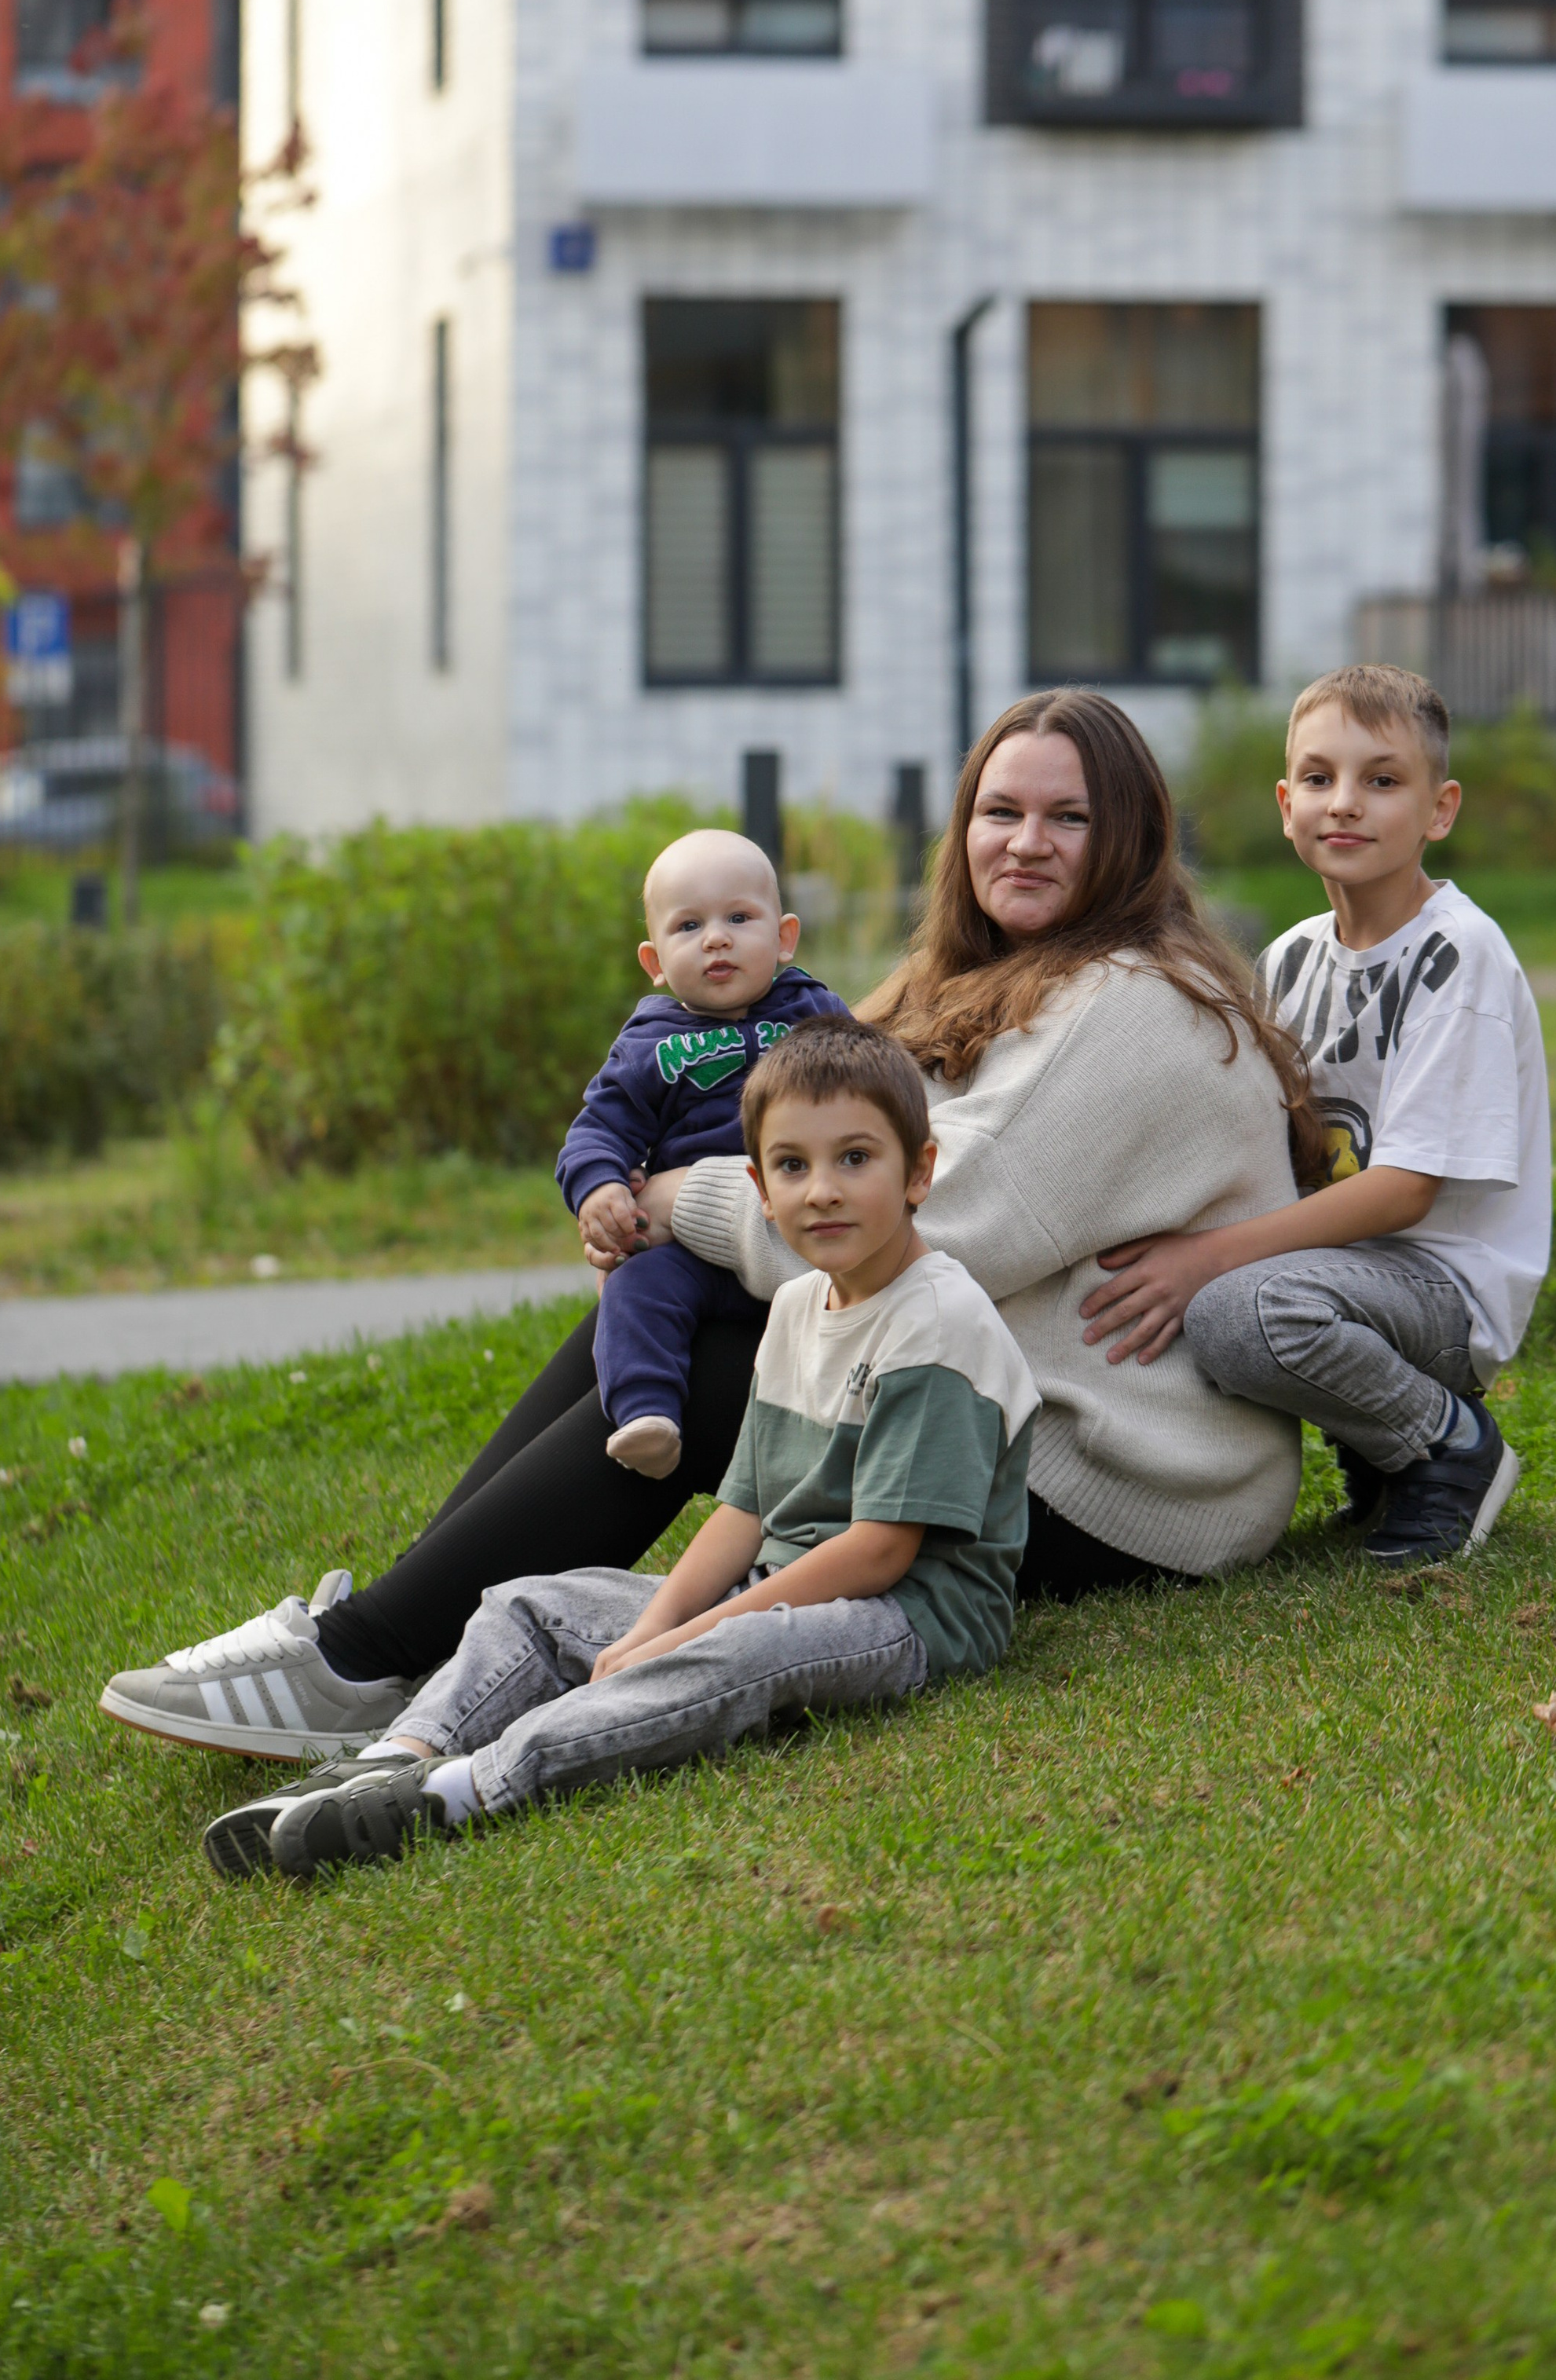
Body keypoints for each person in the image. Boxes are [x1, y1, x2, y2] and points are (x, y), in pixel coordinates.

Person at [100, 689, 1317, 1766]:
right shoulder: (994, 979)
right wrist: (632, 1203)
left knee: (720, 1349)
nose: (1026, 842)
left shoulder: (1133, 1007)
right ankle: (385, 1638)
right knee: (671, 1310)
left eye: (1070, 818)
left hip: (1125, 1481)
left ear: (1135, 840)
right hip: (997, 1397)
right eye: (1001, 812)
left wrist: (678, 1198)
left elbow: (935, 1224)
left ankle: (367, 1652)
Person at [203, 1021, 1038, 1880]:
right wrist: (650, 1624)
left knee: (734, 1657)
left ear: (920, 1173)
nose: (822, 1190)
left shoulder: (936, 1320)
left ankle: (464, 1789)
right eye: (792, 1166)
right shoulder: (793, 1309)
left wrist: (687, 1636)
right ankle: (395, 1756)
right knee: (527, 1603)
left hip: (912, 1621)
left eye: (855, 1159)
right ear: (758, 1186)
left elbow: (878, 1552)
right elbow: (743, 1509)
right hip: (784, 1585)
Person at [1078, 665, 1548, 1569]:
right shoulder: (1293, 957)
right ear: (1287, 804)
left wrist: (1206, 1257)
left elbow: (1405, 1192)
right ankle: (1377, 1449)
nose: (1346, 804)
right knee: (1161, 1293)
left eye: (1382, 780)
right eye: (1321, 780)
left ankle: (1447, 1446)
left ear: (1438, 809)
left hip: (1438, 1288)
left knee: (1232, 1314)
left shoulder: (1459, 954)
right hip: (1336, 1273)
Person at [558, 825, 846, 1480]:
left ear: (784, 937)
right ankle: (646, 1413)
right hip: (689, 1246)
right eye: (688, 926)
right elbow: (598, 1130)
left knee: (826, 1316)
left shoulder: (814, 1011)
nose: (715, 937)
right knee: (634, 1289)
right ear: (654, 960)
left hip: (795, 1238)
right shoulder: (648, 1045)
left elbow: (871, 1086)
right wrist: (602, 1187)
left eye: (739, 918)